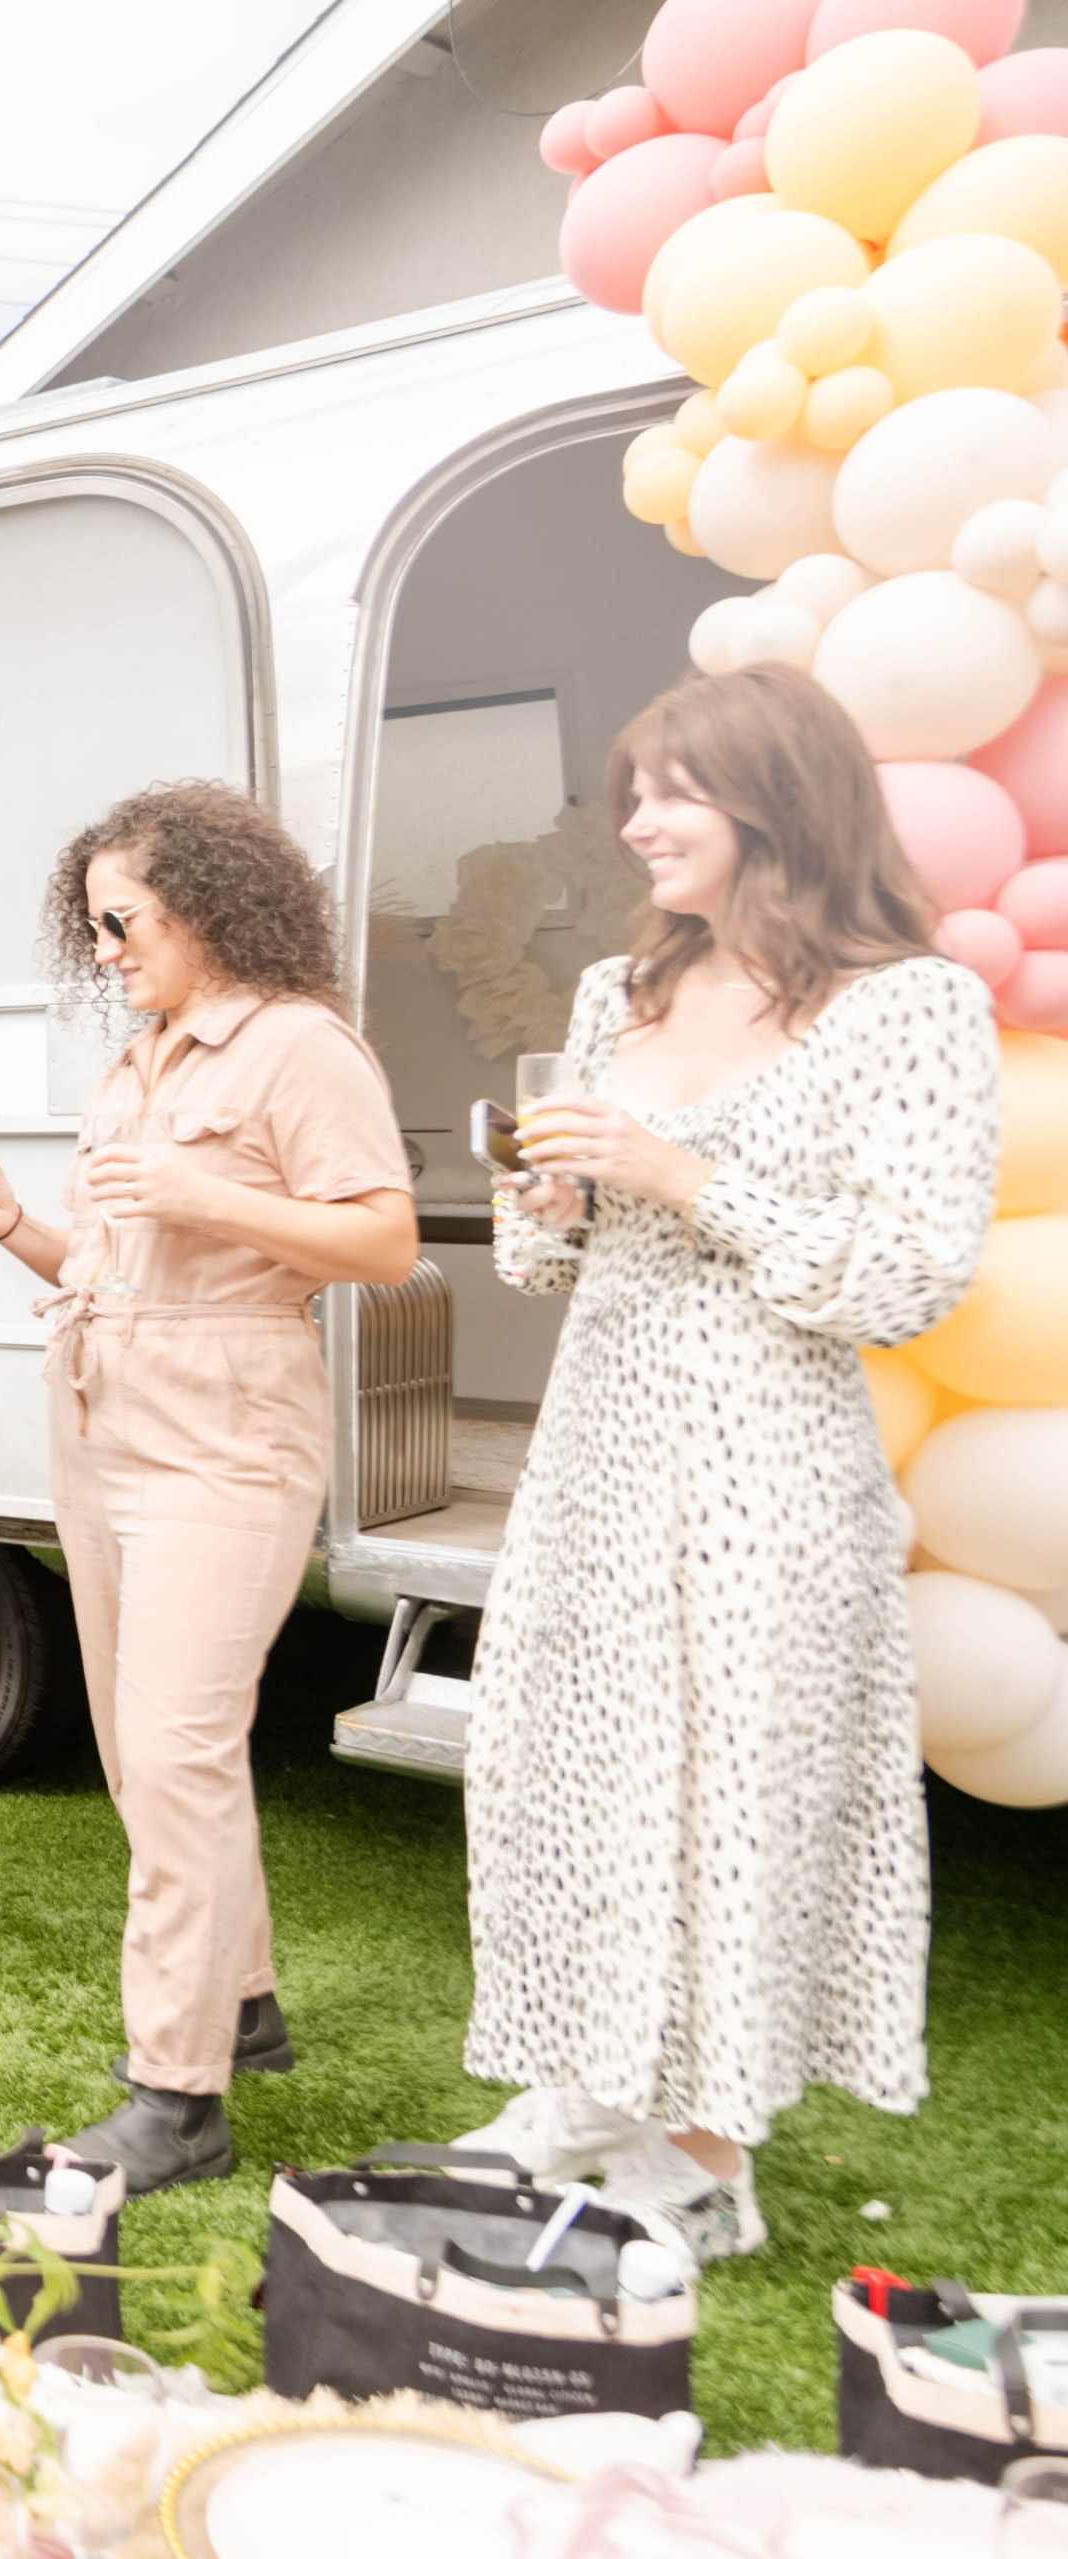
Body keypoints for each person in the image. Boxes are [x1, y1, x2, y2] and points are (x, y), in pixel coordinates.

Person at [445, 666, 1000, 2259]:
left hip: (770, 1453)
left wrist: (683, 1172)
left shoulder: (913, 1003)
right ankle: (580, 2088)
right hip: (602, 1438)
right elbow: (547, 1274)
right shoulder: (614, 993)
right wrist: (543, 1203)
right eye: (636, 790)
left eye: (668, 791)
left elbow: (908, 1274)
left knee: (737, 1785)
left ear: (777, 801)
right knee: (567, 1762)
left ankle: (705, 2153)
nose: (634, 822)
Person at [0, 781, 415, 2195]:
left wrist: (214, 1201)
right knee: (149, 1748)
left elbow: (382, 1238)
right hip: (103, 1411)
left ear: (208, 903)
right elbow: (112, 1259)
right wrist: (13, 1221)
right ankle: (241, 2001)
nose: (105, 949)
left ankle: (177, 2095)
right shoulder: (140, 1063)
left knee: (180, 1744)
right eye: (91, 926)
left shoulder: (301, 1049)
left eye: (122, 920)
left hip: (226, 1431)